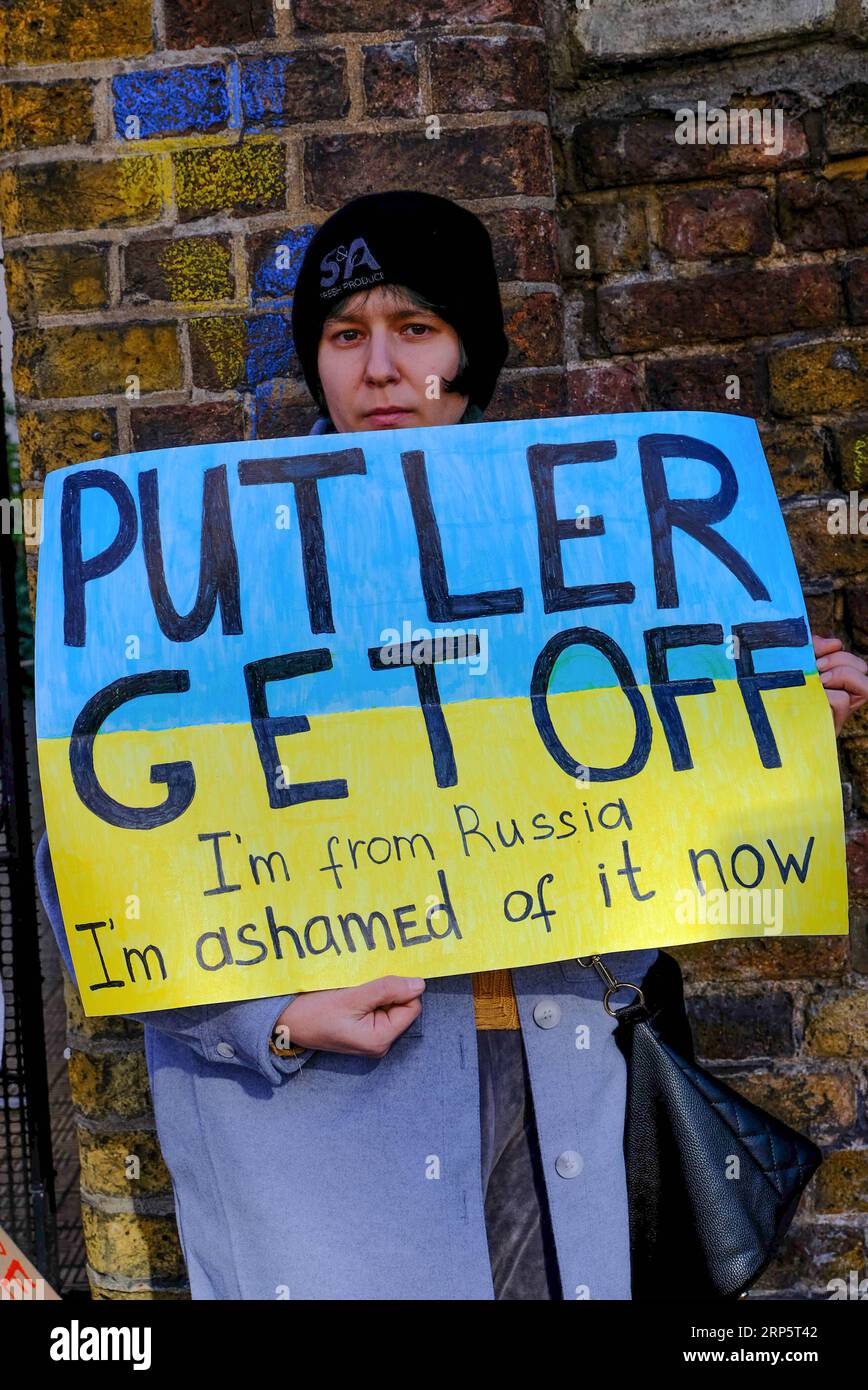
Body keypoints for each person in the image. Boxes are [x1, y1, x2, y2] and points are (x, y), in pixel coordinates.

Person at [36, 191, 868, 1301]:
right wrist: (270, 1019)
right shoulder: (218, 556)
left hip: (556, 1082)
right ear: (318, 364)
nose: (379, 367)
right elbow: (93, 859)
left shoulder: (584, 539)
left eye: (416, 329)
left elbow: (637, 829)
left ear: (469, 356)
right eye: (345, 335)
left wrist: (765, 732)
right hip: (326, 1132)